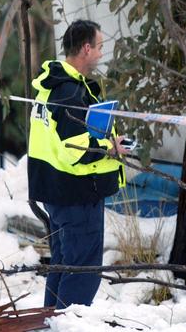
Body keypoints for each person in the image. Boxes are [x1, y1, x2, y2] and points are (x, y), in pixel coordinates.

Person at [27, 19, 128, 309]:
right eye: (99, 47)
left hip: (58, 190)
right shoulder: (69, 91)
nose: (101, 54)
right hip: (76, 193)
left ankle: (51, 322)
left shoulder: (55, 85)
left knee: (63, 263)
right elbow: (76, 147)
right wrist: (111, 148)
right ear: (86, 48)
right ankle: (68, 323)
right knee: (83, 270)